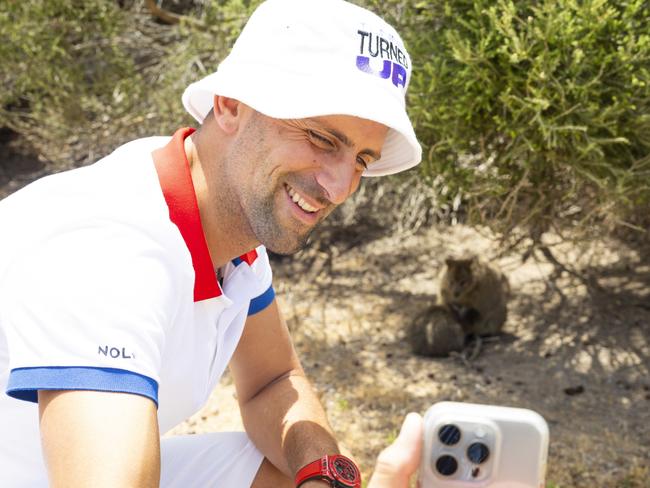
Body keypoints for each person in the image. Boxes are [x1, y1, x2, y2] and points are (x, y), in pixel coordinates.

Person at [0, 0, 422, 486]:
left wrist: (326, 475)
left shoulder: (228, 224)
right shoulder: (107, 251)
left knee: (287, 472)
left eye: (362, 160)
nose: (340, 186)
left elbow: (272, 382)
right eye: (321, 138)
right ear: (231, 105)